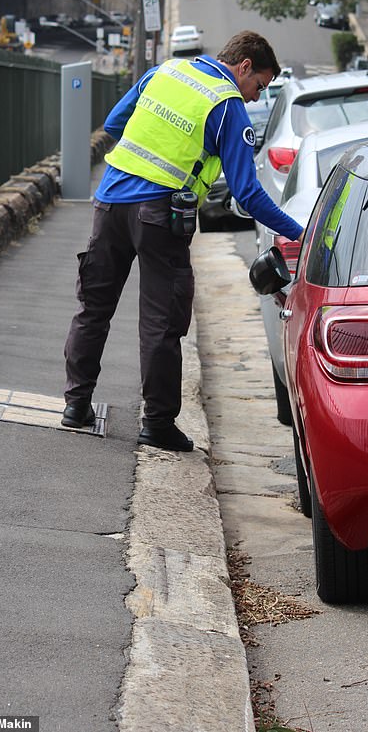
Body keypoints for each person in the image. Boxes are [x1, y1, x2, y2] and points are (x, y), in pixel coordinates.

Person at [62, 31, 304, 452]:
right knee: (161, 322)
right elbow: (247, 194)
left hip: (110, 202)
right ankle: (156, 424)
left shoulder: (166, 71)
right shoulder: (227, 107)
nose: (254, 98)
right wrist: (300, 232)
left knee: (93, 308)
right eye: (259, 87)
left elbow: (116, 123)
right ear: (244, 66)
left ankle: (75, 405)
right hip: (158, 217)